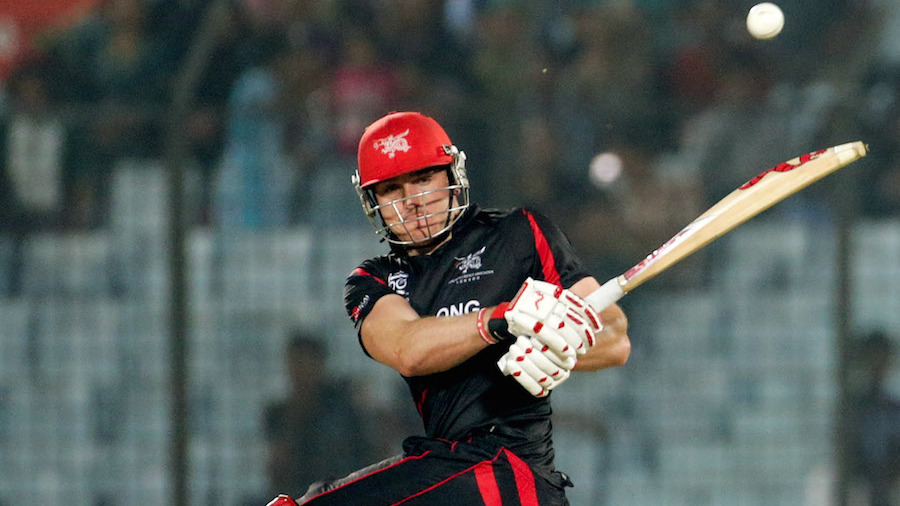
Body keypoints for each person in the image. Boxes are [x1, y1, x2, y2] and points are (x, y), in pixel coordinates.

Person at [266, 111, 630, 506]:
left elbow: (614, 338)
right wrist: (502, 319)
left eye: (423, 179)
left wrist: (559, 345)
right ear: (373, 201)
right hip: (445, 470)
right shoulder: (374, 279)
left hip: (510, 472)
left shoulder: (519, 233)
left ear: (452, 175)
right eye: (390, 189)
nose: (412, 203)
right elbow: (407, 348)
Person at [261, 331, 378, 499]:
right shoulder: (279, 414)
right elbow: (278, 470)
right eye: (297, 364)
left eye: (308, 363)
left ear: (320, 365)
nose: (302, 372)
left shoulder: (343, 409)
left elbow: (367, 453)